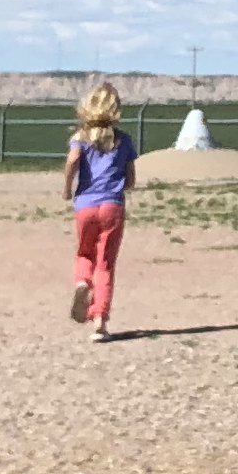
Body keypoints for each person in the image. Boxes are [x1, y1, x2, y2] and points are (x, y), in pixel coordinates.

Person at [60, 80, 137, 343]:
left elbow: (72, 161)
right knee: (105, 264)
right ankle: (99, 321)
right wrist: (121, 184)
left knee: (85, 253)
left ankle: (82, 282)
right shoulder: (123, 140)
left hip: (86, 205)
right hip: (112, 205)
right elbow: (130, 178)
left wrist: (68, 187)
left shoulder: (80, 138)